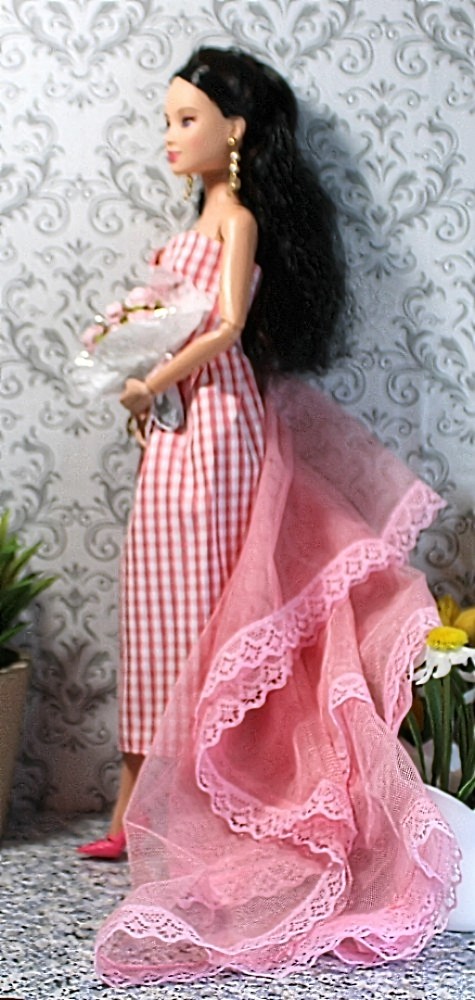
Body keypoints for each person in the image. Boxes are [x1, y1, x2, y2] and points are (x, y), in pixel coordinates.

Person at [91, 48, 457, 982]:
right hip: (176, 426)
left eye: (187, 119)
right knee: (155, 603)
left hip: (218, 425)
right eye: (168, 120)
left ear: (237, 127)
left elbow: (221, 326)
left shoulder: (239, 219)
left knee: (208, 607)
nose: (170, 137)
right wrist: (141, 381)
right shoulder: (200, 218)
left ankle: (183, 802)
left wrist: (153, 377)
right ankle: (131, 797)